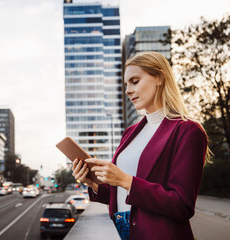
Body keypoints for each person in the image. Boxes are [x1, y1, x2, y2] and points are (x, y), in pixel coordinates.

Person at [71, 52, 210, 240]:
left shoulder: (188, 131)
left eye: (134, 81)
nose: (128, 90)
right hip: (121, 230)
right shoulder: (130, 133)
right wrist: (93, 182)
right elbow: (119, 195)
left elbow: (182, 205)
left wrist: (126, 180)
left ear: (159, 78)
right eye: (126, 84)